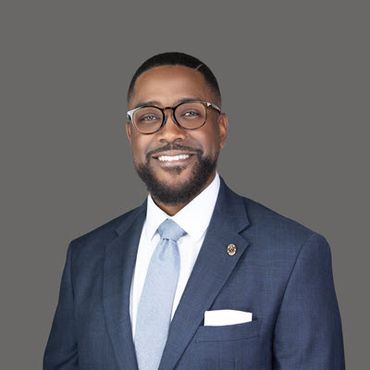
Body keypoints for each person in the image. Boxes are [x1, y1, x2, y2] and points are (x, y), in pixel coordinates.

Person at [43, 52, 345, 370]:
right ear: (130, 134)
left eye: (189, 113)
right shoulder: (86, 257)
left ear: (222, 128)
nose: (170, 132)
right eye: (148, 117)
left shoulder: (293, 254)